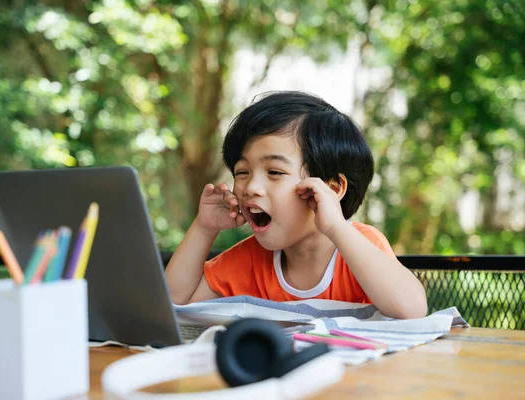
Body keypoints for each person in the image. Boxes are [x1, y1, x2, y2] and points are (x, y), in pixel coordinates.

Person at [165, 91, 427, 319]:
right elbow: (176, 303)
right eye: (242, 172)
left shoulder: (361, 245)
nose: (250, 187)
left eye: (275, 172)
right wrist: (204, 228)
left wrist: (336, 226)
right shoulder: (249, 260)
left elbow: (412, 309)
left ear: (331, 190)